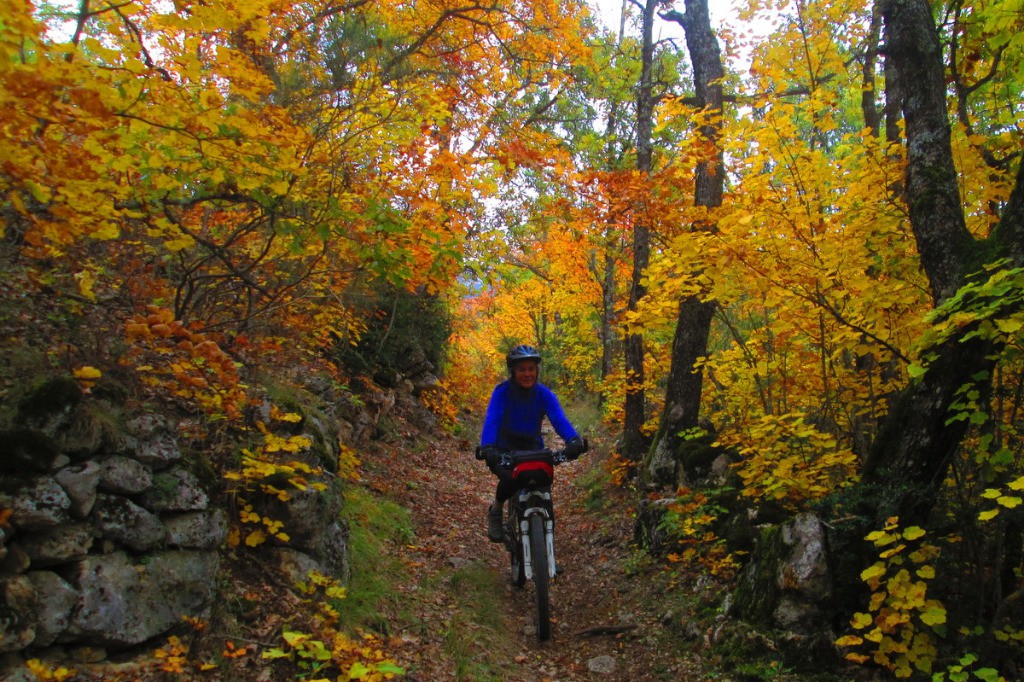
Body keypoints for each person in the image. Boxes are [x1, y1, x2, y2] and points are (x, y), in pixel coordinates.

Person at [477, 344, 587, 542]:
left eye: (531, 369)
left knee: (543, 487)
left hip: (532, 448)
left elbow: (559, 419)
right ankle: (496, 509)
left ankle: (546, 552)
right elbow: (492, 420)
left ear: (536, 371)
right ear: (513, 371)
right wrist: (488, 447)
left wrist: (572, 440)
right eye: (521, 369)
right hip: (504, 448)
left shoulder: (543, 394)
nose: (527, 374)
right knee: (510, 479)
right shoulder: (502, 392)